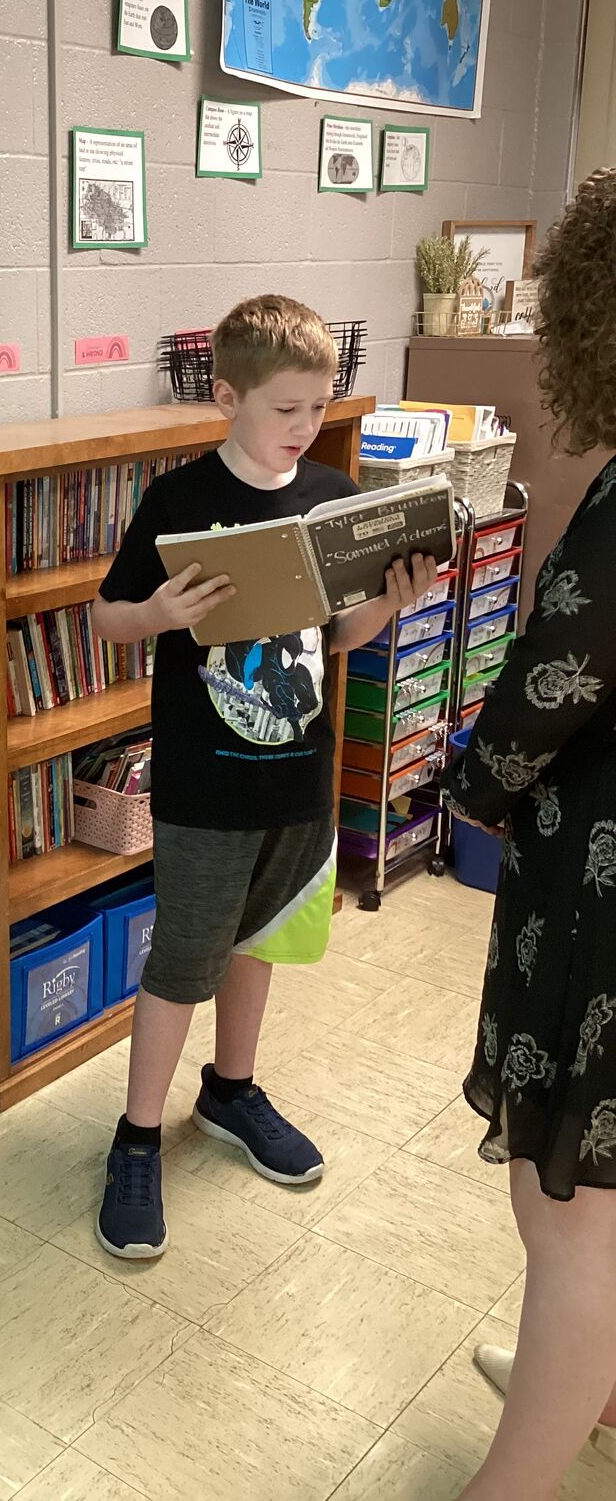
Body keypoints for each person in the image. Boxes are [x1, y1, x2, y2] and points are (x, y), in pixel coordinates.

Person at [92, 295, 439, 1259]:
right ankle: (136, 1137)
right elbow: (106, 619)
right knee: (183, 963)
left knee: (261, 945)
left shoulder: (331, 493)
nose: (306, 427)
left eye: (319, 406)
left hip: (298, 779)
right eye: (286, 409)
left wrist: (391, 604)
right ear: (228, 396)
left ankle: (232, 1090)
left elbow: (337, 637)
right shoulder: (177, 498)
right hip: (208, 788)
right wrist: (159, 610)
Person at [442, 172, 616, 1498]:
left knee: (568, 1224)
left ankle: (522, 1475)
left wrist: (467, 791)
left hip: (602, 914)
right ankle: (591, 1402)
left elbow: (550, 688)